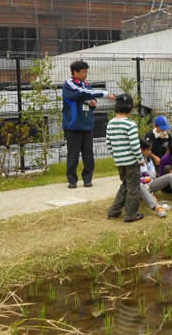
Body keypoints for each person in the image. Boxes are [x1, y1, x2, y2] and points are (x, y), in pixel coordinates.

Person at [62, 60, 116, 189]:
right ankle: (72, 180)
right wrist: (105, 93)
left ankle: (87, 178)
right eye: (83, 72)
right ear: (75, 72)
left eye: (87, 71)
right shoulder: (69, 84)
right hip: (73, 124)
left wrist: (92, 102)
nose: (86, 74)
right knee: (73, 153)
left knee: (88, 153)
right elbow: (81, 93)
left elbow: (90, 97)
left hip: (87, 124)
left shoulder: (86, 85)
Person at [107, 94, 145, 222]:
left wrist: (116, 156)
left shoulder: (110, 123)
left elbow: (109, 144)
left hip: (119, 161)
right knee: (133, 188)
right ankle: (131, 215)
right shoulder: (130, 124)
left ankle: (114, 211)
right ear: (130, 107)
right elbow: (135, 145)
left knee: (125, 185)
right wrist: (140, 159)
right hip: (131, 161)